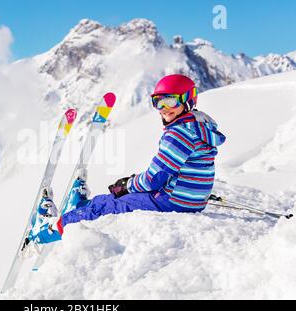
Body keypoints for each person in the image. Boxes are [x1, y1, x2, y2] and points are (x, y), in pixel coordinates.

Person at [28, 74, 226, 245]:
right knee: (114, 198)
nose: (164, 108)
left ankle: (47, 230)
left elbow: (153, 179)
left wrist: (127, 185)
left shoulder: (179, 134)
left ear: (188, 100)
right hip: (191, 201)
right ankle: (80, 208)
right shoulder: (200, 128)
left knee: (104, 206)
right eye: (158, 102)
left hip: (172, 202)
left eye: (171, 101)